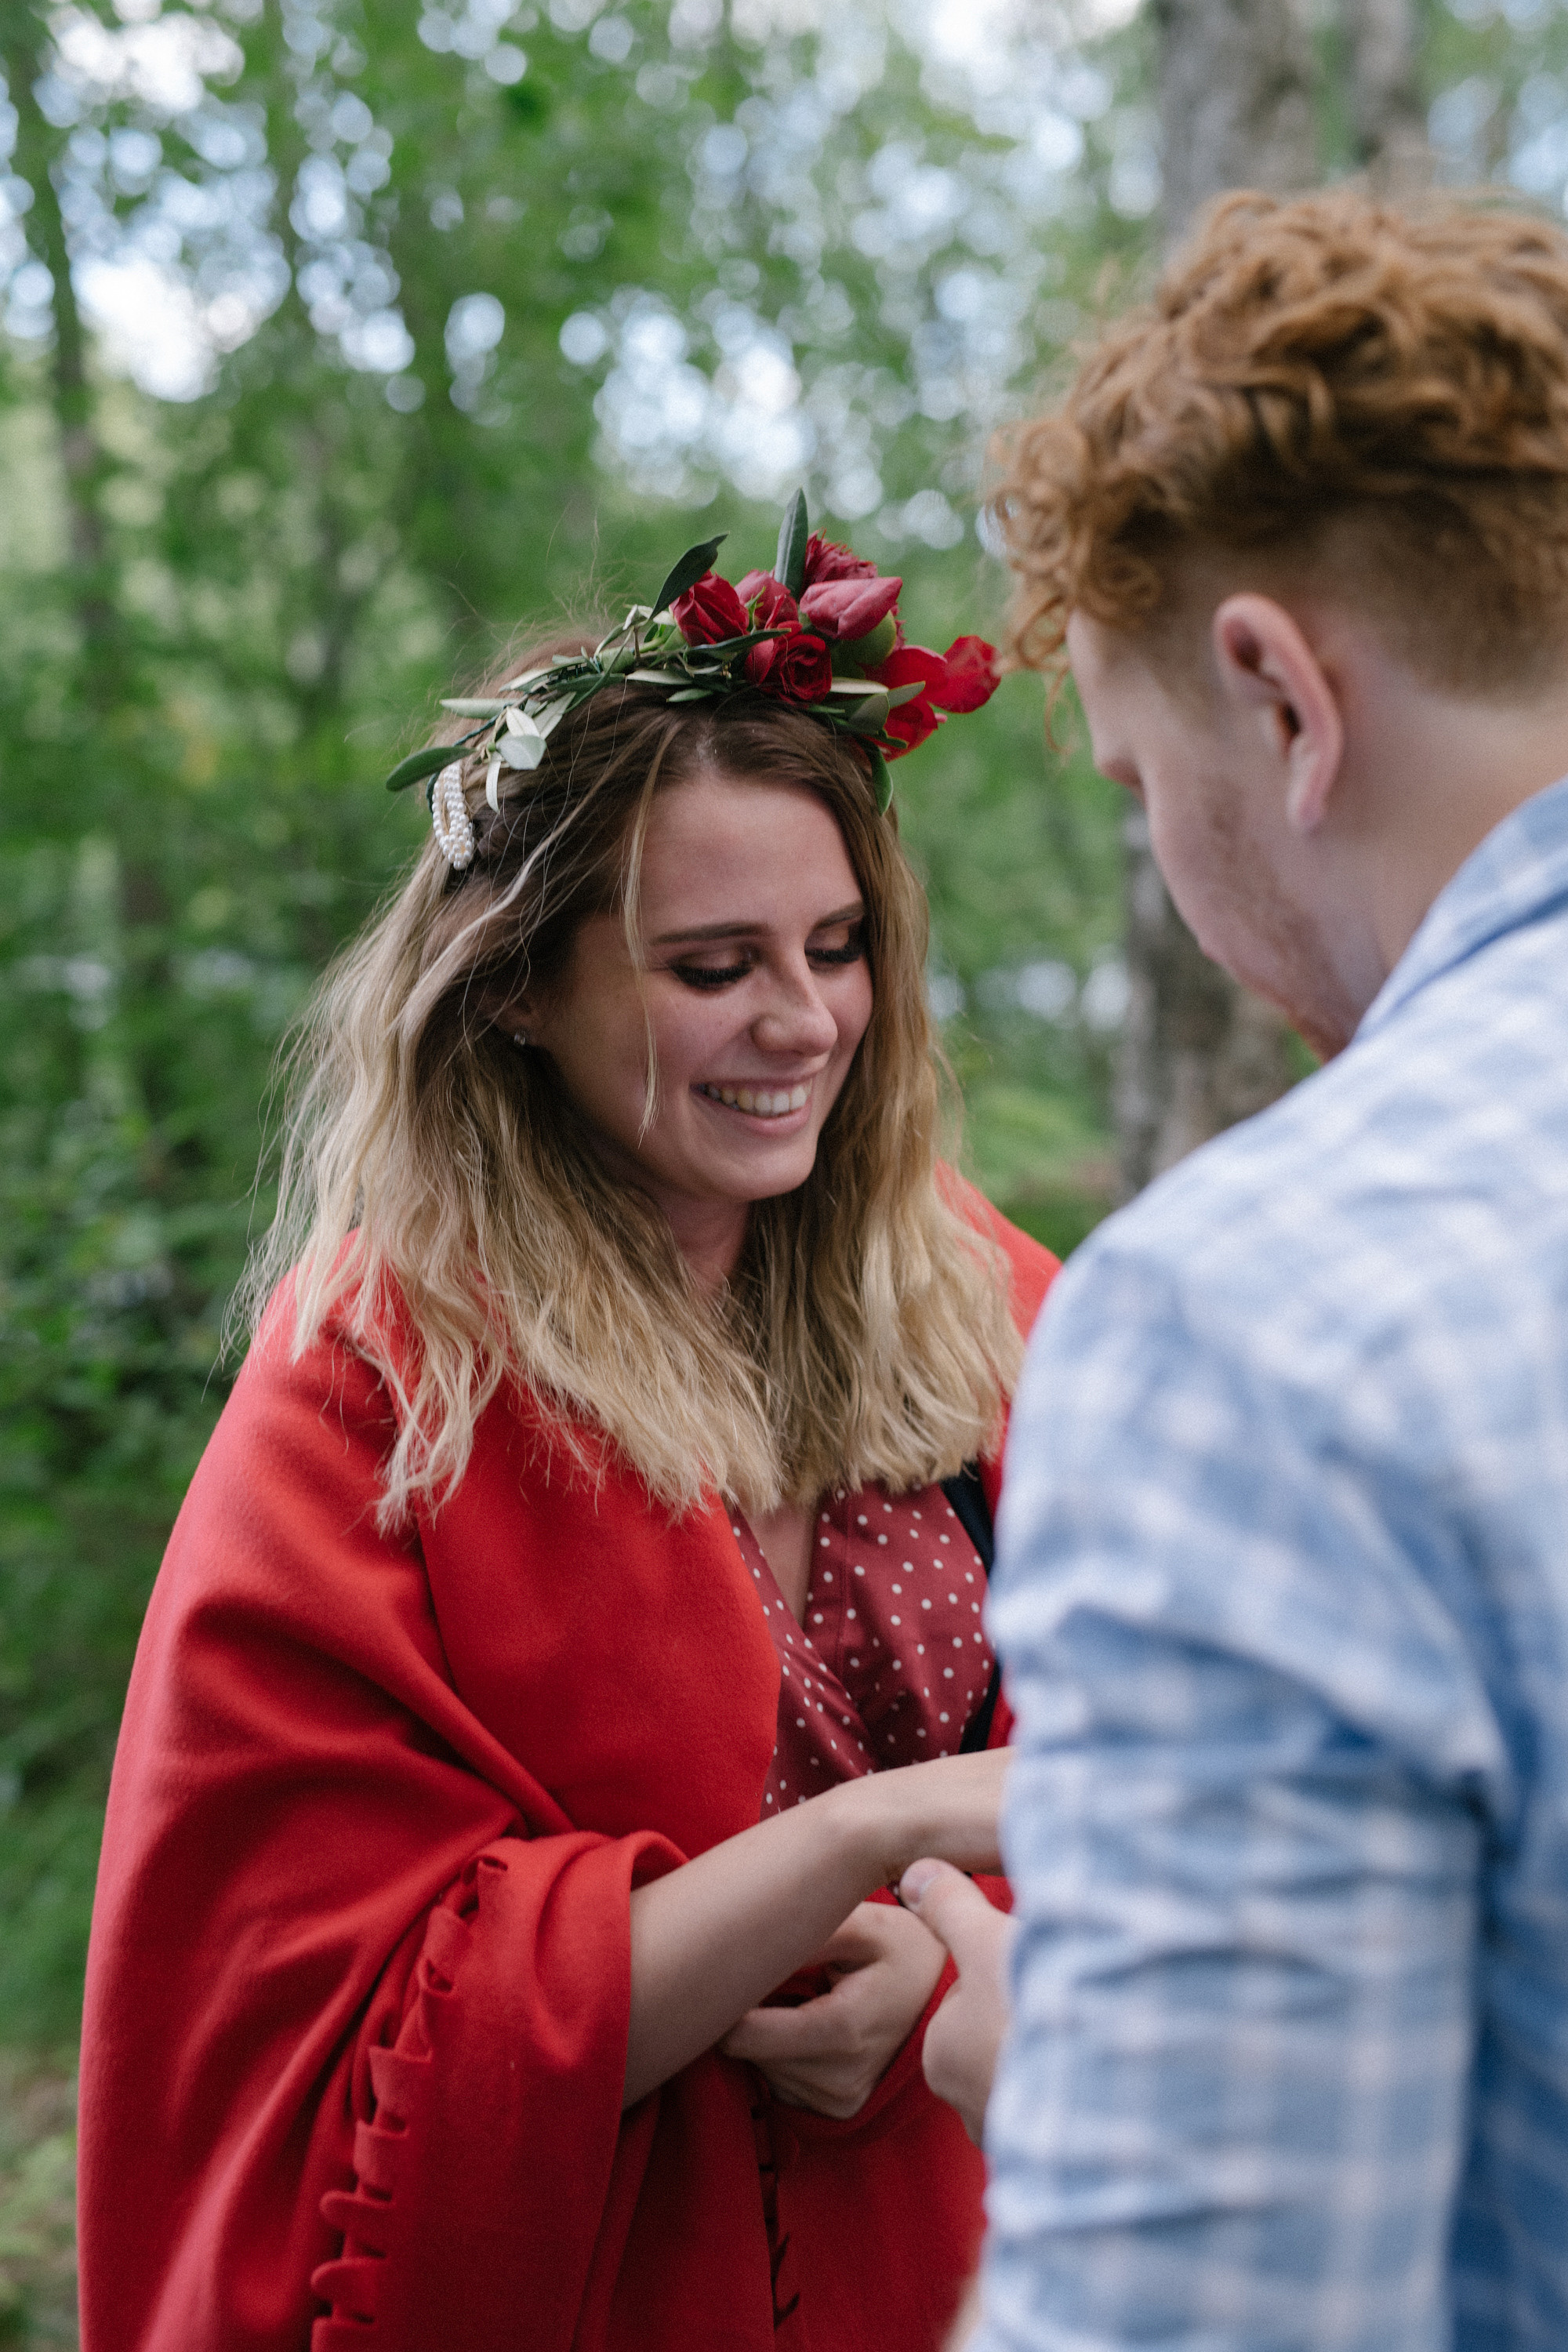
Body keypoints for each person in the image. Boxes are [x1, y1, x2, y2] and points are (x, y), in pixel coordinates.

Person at [74, 506, 1058, 2352]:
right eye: (711, 967)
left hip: (957, 2260)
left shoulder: (976, 1290)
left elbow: (1118, 1747)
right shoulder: (381, 1381)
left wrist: (936, 1938)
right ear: (519, 984)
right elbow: (333, 2019)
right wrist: (872, 1839)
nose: (803, 1022)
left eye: (838, 947)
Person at [908, 190, 1568, 2347]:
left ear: (1280, 704)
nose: (1173, 870)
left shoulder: (1256, 1330)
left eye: (1136, 783)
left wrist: (1070, 2082)